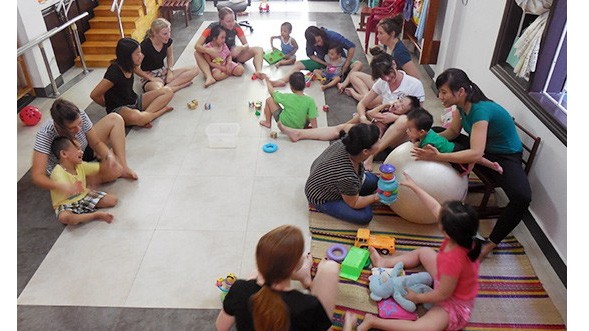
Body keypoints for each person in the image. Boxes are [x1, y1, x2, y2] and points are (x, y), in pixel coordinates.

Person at [411, 68, 532, 259]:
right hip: (484, 148)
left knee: (522, 198)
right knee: (433, 130)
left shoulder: (480, 111)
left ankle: (490, 243)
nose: (440, 96)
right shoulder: (461, 106)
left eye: (443, 92)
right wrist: (428, 139)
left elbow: (476, 153)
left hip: (505, 156)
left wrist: (437, 156)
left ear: (460, 92)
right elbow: (451, 133)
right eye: (440, 92)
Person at [357, 171, 481, 331]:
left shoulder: (455, 260)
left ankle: (373, 322)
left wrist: (417, 297)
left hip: (452, 299)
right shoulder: (463, 234)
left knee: (423, 328)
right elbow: (435, 207)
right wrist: (415, 187)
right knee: (424, 251)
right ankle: (384, 262)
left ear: (447, 232)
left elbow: (443, 294)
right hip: (444, 279)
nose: (438, 213)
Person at [215, 224, 341, 331]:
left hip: (257, 287)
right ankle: (305, 277)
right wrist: (347, 326)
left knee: (254, 276)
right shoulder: (307, 305)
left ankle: (304, 276)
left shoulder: (239, 289)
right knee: (330, 268)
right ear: (293, 267)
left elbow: (221, 327)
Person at [31, 98, 137, 196]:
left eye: (80, 123)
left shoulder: (80, 114)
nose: (78, 129)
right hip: (68, 169)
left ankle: (123, 166)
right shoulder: (45, 134)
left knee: (115, 118)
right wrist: (61, 186)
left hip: (82, 150)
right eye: (72, 128)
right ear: (59, 127)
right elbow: (37, 175)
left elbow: (95, 143)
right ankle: (91, 177)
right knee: (114, 171)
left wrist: (108, 156)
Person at [358, 52, 425, 170]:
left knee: (403, 120)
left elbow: (419, 118)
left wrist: (394, 118)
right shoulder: (382, 83)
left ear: (394, 64)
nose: (387, 79)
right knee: (348, 125)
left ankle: (371, 156)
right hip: (382, 121)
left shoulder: (414, 85)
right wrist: (363, 118)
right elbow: (363, 104)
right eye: (383, 77)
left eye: (388, 73)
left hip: (402, 132)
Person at [305, 123, 381, 225]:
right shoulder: (347, 175)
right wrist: (376, 197)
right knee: (365, 216)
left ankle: (350, 193)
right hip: (321, 197)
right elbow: (354, 203)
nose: (380, 141)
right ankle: (349, 194)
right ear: (365, 151)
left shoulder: (348, 142)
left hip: (323, 176)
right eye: (377, 140)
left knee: (374, 181)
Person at [90, 37, 174, 128]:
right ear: (127, 56)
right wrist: (109, 105)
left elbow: (137, 70)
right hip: (120, 108)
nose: (141, 56)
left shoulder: (130, 65)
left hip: (134, 100)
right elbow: (94, 94)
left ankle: (146, 116)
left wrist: (152, 78)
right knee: (140, 117)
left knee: (168, 91)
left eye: (140, 52)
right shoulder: (114, 72)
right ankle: (155, 113)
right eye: (137, 53)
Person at [337, 15, 421, 102]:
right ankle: (366, 96)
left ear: (392, 34)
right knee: (352, 75)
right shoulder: (387, 44)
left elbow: (416, 78)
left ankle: (357, 95)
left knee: (368, 103)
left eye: (381, 33)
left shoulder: (400, 52)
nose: (377, 36)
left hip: (394, 90)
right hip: (384, 82)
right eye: (378, 33)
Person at [277, 95, 420, 143]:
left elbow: (373, 117)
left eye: (402, 105)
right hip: (369, 129)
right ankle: (299, 134)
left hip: (372, 136)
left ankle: (298, 134)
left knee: (340, 129)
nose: (397, 104)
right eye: (399, 100)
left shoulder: (400, 119)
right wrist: (385, 104)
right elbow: (370, 113)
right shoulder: (388, 109)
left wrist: (393, 115)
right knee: (342, 127)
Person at [406, 107, 503, 175]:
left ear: (422, 132)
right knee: (476, 159)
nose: (407, 131)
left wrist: (414, 143)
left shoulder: (427, 145)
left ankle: (489, 165)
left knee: (470, 162)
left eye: (410, 130)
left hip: (453, 154)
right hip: (454, 146)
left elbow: (425, 157)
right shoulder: (430, 131)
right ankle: (492, 164)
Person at [49, 136, 118, 225]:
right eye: (77, 149)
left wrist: (109, 159)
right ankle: (94, 215)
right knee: (65, 217)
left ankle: (81, 216)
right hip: (66, 203)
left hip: (83, 196)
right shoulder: (57, 172)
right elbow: (65, 186)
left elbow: (100, 168)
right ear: (64, 154)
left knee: (112, 200)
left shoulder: (80, 165)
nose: (81, 152)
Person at [194, 7, 265, 87]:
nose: (232, 23)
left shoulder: (236, 26)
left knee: (259, 49)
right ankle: (209, 77)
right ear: (220, 20)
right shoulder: (212, 27)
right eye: (228, 21)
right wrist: (209, 51)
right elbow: (197, 45)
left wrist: (241, 48)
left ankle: (258, 71)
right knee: (197, 53)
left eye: (233, 20)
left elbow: (246, 45)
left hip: (231, 55)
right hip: (215, 58)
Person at [270, 26, 363, 87]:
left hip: (339, 63)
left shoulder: (332, 35)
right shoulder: (310, 41)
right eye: (315, 43)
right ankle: (282, 80)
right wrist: (325, 63)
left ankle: (345, 82)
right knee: (298, 64)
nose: (318, 44)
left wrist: (346, 65)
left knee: (358, 64)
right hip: (323, 62)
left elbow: (351, 46)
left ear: (321, 34)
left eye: (319, 40)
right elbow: (310, 54)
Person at [134, 18, 199, 93]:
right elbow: (135, 68)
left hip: (163, 72)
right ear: (155, 33)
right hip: (149, 77)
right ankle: (176, 86)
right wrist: (151, 78)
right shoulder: (145, 46)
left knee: (195, 69)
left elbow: (170, 56)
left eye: (169, 32)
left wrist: (170, 71)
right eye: (165, 34)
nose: (168, 36)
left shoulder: (168, 41)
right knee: (158, 88)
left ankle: (167, 88)